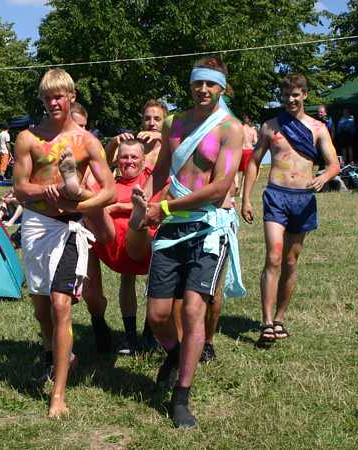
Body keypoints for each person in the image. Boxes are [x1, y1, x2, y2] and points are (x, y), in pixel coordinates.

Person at [136, 57, 245, 428]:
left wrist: (164, 206)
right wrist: (143, 202)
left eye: (211, 84)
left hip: (207, 229)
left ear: (221, 88)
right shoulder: (174, 123)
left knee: (193, 310)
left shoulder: (230, 129)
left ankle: (181, 396)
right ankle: (179, 353)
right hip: (171, 228)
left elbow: (219, 188)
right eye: (198, 83)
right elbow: (160, 171)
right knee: (157, 316)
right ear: (191, 85)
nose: (203, 90)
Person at [13, 68, 115, 418]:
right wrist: (49, 191)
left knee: (61, 305)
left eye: (59, 96)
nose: (53, 103)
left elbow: (110, 191)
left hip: (71, 227)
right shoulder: (28, 138)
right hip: (36, 226)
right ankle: (60, 353)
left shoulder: (87, 141)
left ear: (71, 97)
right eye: (47, 98)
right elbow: (19, 188)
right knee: (42, 308)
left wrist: (81, 206)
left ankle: (58, 393)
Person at [241, 73, 339, 345]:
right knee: (273, 256)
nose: (290, 100)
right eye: (286, 96)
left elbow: (334, 164)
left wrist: (324, 176)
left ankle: (280, 318)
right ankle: (266, 322)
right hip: (276, 196)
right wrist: (246, 198)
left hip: (303, 199)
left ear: (304, 95)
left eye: (295, 95)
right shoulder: (270, 126)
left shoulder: (318, 128)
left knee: (291, 261)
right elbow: (253, 162)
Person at [84, 139, 166, 356]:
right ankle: (131, 337)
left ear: (143, 160)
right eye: (124, 157)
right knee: (126, 279)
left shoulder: (152, 180)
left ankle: (149, 334)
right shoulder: (109, 184)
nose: (129, 161)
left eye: (134, 157)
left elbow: (160, 205)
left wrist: (118, 206)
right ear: (117, 160)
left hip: (144, 246)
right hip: (114, 248)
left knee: (153, 275)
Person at [106, 99, 168, 170]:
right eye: (147, 119)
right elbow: (105, 163)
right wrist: (112, 143)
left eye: (157, 119)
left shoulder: (170, 146)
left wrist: (162, 137)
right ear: (142, 121)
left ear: (165, 121)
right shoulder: (132, 144)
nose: (151, 123)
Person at [234, 115, 258, 196]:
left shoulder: (239, 129)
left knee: (235, 170)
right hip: (249, 151)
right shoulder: (252, 130)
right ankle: (241, 193)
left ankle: (236, 184)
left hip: (240, 151)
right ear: (250, 121)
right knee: (245, 173)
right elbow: (255, 141)